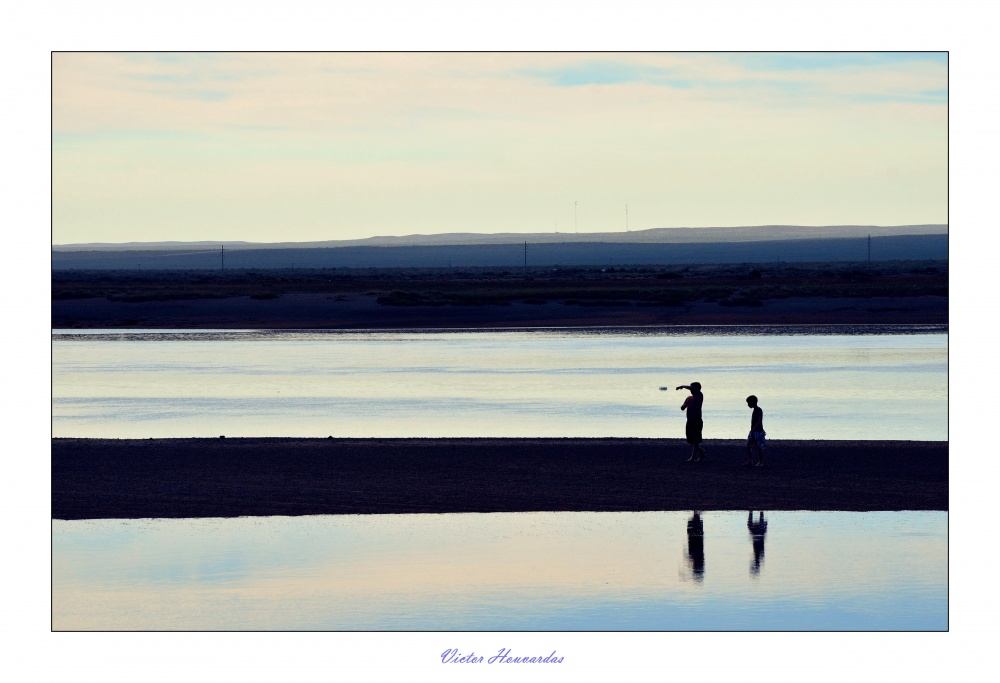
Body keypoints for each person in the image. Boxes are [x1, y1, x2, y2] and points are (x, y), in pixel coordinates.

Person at [677, 382, 706, 462]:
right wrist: (684, 406)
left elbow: (692, 389)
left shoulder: (700, 396)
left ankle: (693, 457)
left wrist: (682, 386)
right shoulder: (689, 398)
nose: (691, 390)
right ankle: (701, 452)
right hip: (689, 421)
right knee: (691, 440)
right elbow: (683, 408)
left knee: (695, 439)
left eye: (692, 388)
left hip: (696, 421)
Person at [743, 395, 766, 467]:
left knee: (759, 446)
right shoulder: (755, 410)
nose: (748, 405)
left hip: (758, 431)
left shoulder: (759, 410)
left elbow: (759, 421)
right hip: (753, 431)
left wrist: (753, 429)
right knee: (748, 445)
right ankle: (750, 461)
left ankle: (761, 462)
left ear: (752, 403)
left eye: (748, 403)